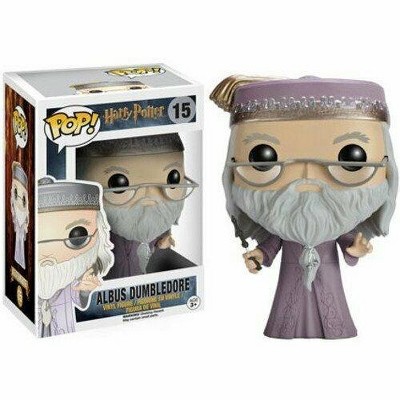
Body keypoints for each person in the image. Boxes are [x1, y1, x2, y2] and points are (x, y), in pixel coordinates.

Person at [211, 75, 397, 339]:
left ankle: (333, 329)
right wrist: (259, 256)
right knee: (287, 308)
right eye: (263, 157)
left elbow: (346, 241)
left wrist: (355, 249)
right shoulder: (283, 222)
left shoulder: (334, 221)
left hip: (328, 276)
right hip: (291, 276)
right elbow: (272, 245)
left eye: (351, 157)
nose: (307, 176)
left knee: (332, 306)